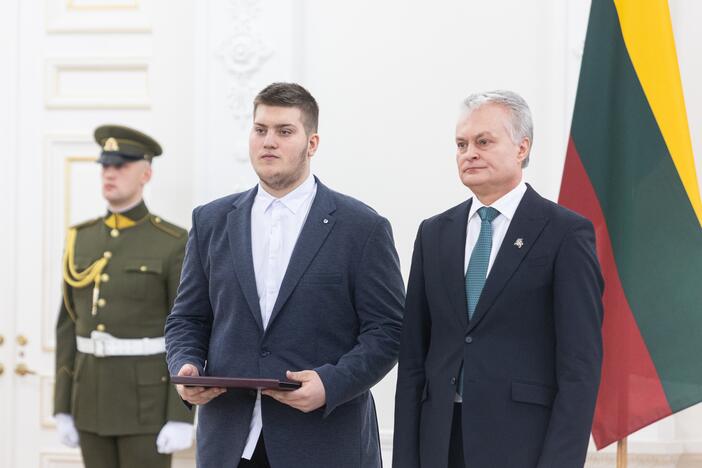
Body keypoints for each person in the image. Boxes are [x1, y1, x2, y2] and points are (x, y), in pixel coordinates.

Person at [165, 82, 405, 468]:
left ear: (312, 143)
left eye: (284, 131)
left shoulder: (362, 227)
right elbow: (187, 318)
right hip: (229, 443)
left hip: (323, 444)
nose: (268, 142)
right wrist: (186, 365)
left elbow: (389, 330)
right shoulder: (211, 221)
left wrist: (331, 384)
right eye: (260, 130)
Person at [392, 90, 604, 468]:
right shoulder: (434, 233)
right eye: (461, 144)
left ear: (522, 147)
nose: (468, 152)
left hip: (522, 446)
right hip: (439, 443)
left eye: (483, 141)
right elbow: (413, 360)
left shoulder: (565, 233)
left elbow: (580, 368)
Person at [54, 125, 195, 468]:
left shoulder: (173, 241)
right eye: (105, 165)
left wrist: (181, 412)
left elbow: (187, 328)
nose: (110, 173)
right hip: (88, 397)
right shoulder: (81, 238)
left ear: (146, 173)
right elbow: (67, 326)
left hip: (146, 403)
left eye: (122, 165)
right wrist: (62, 406)